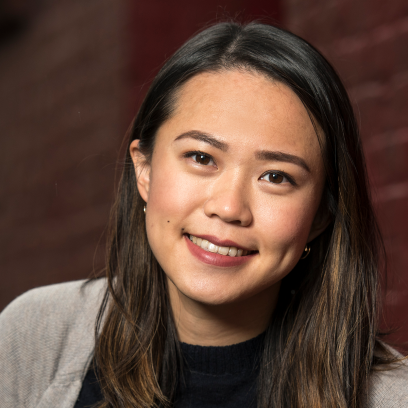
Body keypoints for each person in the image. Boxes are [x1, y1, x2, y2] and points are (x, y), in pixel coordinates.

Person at [1, 21, 407, 408]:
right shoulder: (37, 333)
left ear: (320, 214)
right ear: (145, 169)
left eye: (276, 176)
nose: (229, 208)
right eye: (201, 157)